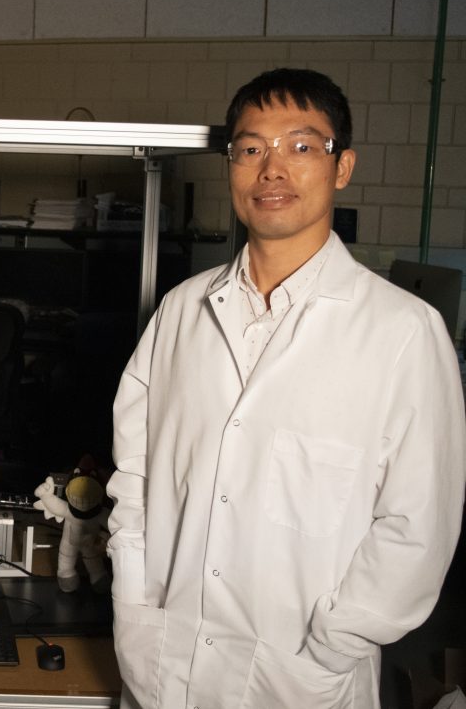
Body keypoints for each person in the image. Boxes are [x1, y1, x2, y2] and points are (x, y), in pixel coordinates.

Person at [105, 67, 466, 709]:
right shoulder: (181, 312)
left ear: (342, 166)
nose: (272, 170)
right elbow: (132, 471)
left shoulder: (404, 332)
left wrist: (332, 646)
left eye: (301, 146)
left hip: (299, 681)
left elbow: (417, 529)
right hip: (163, 665)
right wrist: (134, 594)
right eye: (250, 149)